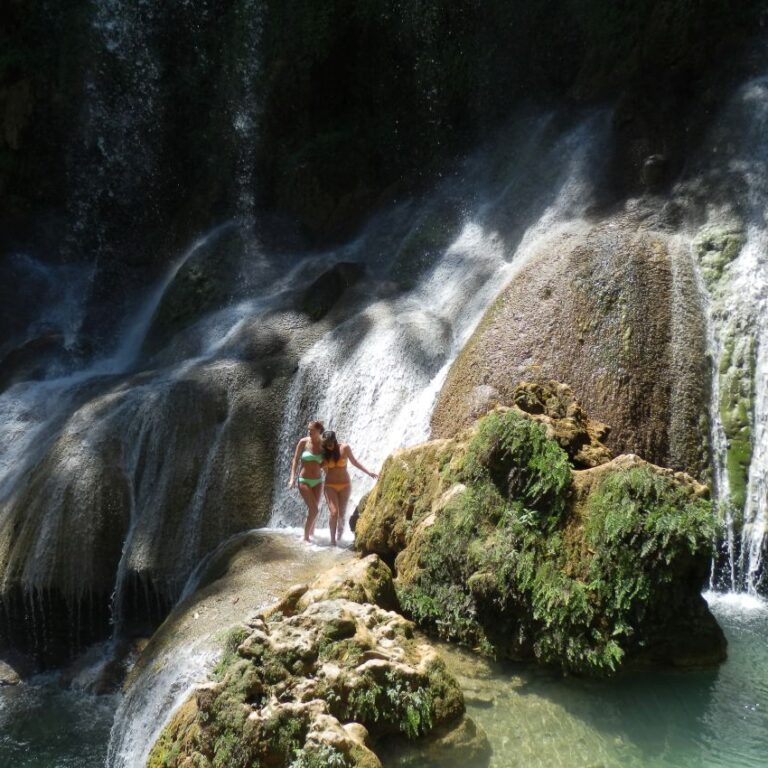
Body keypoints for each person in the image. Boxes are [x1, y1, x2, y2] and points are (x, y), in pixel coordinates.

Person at [321, 429, 378, 546]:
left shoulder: (345, 448)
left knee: (341, 514)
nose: (329, 447)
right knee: (334, 512)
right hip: (330, 485)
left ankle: (339, 539)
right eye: (326, 445)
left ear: (335, 441)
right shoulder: (324, 452)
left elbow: (354, 462)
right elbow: (318, 466)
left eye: (330, 444)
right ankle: (332, 541)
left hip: (345, 486)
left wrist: (369, 472)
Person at [288, 420, 325, 542]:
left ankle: (312, 534)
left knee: (312, 510)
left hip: (318, 482)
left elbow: (325, 465)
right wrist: (292, 478)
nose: (309, 431)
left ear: (319, 431)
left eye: (312, 430)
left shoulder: (323, 445)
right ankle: (305, 539)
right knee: (314, 510)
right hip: (304, 480)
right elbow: (295, 460)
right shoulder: (303, 442)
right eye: (308, 429)